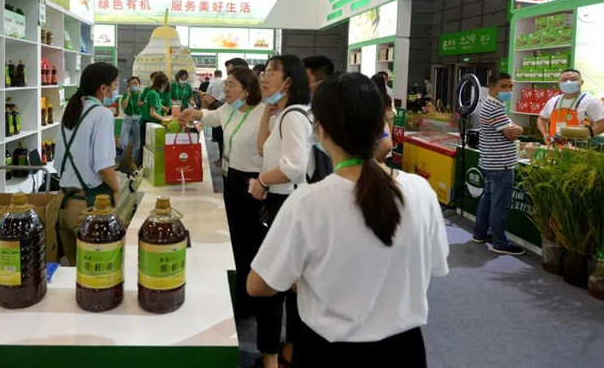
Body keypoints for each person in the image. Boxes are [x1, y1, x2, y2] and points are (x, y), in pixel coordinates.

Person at [247, 72, 449, 367]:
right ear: (379, 126)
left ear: (320, 130)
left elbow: (258, 285)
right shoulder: (420, 191)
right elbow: (433, 265)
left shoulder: (308, 202)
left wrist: (300, 279)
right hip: (404, 350)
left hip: (328, 351)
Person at [180, 67, 265, 318]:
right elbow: (212, 116)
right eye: (225, 84)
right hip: (232, 178)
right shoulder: (229, 109)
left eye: (232, 85)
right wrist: (194, 112)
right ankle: (236, 293)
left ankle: (248, 302)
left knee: (249, 241)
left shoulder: (263, 114)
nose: (226, 89)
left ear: (247, 91)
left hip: (253, 182)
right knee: (235, 238)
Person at [249, 54, 313, 368]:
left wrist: (262, 180)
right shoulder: (283, 115)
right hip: (282, 204)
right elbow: (263, 148)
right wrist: (267, 109)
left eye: (272, 72)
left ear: (289, 81)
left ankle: (272, 358)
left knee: (272, 285)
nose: (263, 77)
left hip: (289, 203)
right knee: (291, 283)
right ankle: (287, 352)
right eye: (264, 72)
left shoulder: (293, 117)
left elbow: (294, 167)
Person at [54, 62, 121, 265]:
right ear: (103, 88)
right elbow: (104, 167)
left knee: (75, 271)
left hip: (62, 204)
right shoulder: (102, 114)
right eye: (115, 84)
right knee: (97, 270)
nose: (116, 90)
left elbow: (58, 163)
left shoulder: (71, 110)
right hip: (87, 206)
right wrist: (116, 190)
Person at [471, 72, 525, 256]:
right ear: (492, 88)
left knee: (487, 199)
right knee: (500, 204)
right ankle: (500, 242)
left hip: (490, 161)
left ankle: (480, 233)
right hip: (500, 164)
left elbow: (510, 127)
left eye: (510, 87)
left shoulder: (493, 105)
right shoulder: (494, 108)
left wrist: (516, 128)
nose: (508, 90)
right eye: (503, 86)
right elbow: (511, 134)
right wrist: (520, 129)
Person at [537, 68, 604, 142]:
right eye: (564, 80)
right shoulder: (553, 101)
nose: (568, 82)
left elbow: (602, 123)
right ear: (559, 83)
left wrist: (588, 133)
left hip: (580, 147)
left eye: (573, 79)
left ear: (581, 82)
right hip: (554, 145)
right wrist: (545, 133)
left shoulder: (591, 101)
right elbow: (541, 119)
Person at [140, 72, 168, 150]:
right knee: (148, 148)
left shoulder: (151, 92)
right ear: (162, 84)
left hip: (146, 123)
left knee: (144, 147)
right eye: (165, 85)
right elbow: (152, 113)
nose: (165, 87)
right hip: (150, 123)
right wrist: (164, 119)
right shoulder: (154, 94)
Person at [118, 76, 142, 169]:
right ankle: (121, 162)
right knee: (122, 141)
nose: (134, 85)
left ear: (139, 85)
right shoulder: (126, 95)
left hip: (138, 119)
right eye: (132, 84)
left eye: (136, 83)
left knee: (137, 144)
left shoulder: (142, 95)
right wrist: (128, 95)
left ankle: (135, 165)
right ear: (129, 85)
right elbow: (123, 107)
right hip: (128, 119)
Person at [371, 73, 395, 163]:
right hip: (383, 128)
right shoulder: (387, 98)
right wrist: (390, 133)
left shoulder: (368, 96)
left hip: (370, 127)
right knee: (382, 156)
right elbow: (390, 117)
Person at [206, 70, 226, 165]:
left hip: (215, 108)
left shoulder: (212, 82)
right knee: (222, 137)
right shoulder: (223, 82)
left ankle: (222, 159)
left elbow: (208, 93)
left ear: (215, 74)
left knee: (220, 137)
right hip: (222, 110)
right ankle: (222, 158)